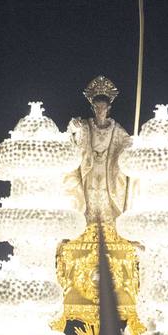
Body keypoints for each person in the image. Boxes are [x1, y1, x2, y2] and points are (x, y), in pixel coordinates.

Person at [67, 76, 131, 225]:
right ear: (93, 108)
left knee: (106, 199)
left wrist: (131, 145)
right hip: (90, 168)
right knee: (89, 197)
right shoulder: (85, 125)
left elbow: (127, 142)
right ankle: (88, 227)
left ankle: (108, 228)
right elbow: (72, 130)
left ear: (108, 109)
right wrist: (73, 125)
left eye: (103, 108)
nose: (100, 111)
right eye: (97, 107)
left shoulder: (116, 128)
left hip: (108, 171)